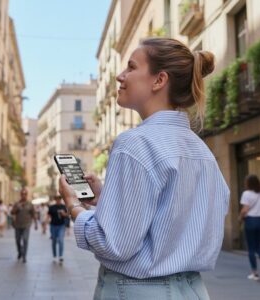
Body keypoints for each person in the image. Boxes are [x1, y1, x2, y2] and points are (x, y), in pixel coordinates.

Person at [59, 38, 230, 300]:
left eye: (130, 67)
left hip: (137, 290)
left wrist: (74, 207)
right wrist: (107, 198)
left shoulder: (134, 143)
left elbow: (114, 244)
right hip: (193, 290)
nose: (119, 76)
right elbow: (171, 219)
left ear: (159, 80)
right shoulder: (202, 152)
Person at [239, 174, 260, 281]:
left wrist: (240, 218)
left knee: (251, 248)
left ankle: (255, 273)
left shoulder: (246, 193)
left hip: (251, 221)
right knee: (259, 247)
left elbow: (245, 210)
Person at [11, 188, 38, 263]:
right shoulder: (17, 203)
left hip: (27, 225)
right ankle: (20, 252)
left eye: (25, 194)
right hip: (17, 225)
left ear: (27, 195)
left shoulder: (30, 204)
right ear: (20, 195)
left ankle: (24, 256)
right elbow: (12, 212)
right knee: (17, 240)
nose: (23, 195)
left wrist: (36, 224)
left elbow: (34, 214)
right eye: (22, 194)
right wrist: (17, 207)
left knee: (25, 240)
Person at [47, 195, 68, 264]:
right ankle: (54, 256)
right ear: (55, 200)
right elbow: (49, 215)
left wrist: (63, 213)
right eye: (57, 199)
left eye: (59, 199)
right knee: (54, 241)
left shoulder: (63, 207)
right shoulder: (52, 207)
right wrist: (46, 220)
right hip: (53, 226)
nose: (58, 200)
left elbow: (67, 215)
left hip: (61, 226)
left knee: (61, 240)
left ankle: (61, 256)